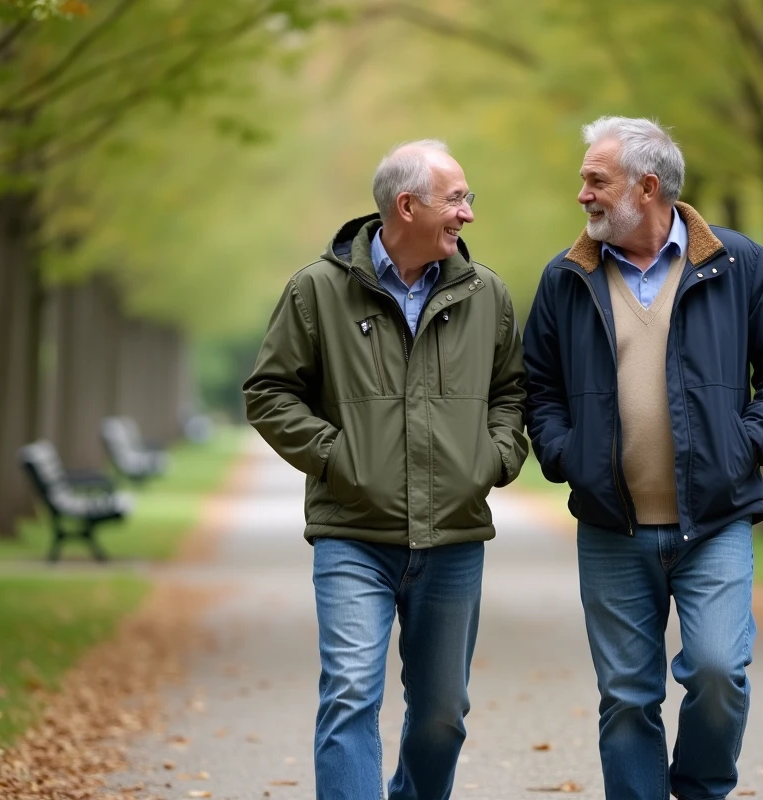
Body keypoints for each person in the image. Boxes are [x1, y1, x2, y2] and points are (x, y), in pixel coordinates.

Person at [522, 117, 763, 800]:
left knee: (718, 671)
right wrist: (567, 455)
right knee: (627, 697)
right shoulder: (565, 277)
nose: (583, 195)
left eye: (595, 180)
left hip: (715, 519)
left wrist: (750, 443)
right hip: (611, 526)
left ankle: (700, 791)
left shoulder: (738, 263)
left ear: (646, 186)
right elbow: (538, 386)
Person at [243, 139, 528, 800]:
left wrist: (493, 458)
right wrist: (340, 460)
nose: (467, 214)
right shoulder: (316, 291)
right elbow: (268, 393)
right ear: (408, 205)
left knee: (442, 718)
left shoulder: (487, 295)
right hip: (352, 533)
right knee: (349, 696)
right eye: (457, 198)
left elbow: (513, 392)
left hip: (453, 540)